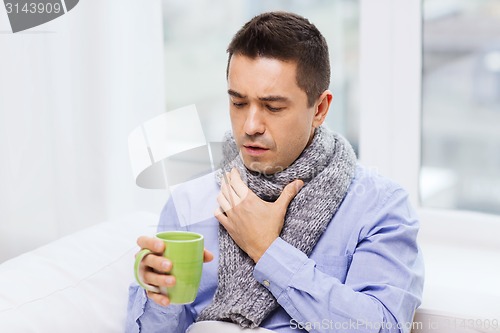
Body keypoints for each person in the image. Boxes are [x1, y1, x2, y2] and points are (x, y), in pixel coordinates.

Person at [126, 11, 424, 333]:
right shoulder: (189, 202)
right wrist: (156, 294)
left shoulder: (377, 206)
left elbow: (383, 327)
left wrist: (267, 250)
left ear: (320, 109)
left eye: (273, 107)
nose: (251, 126)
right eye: (238, 103)